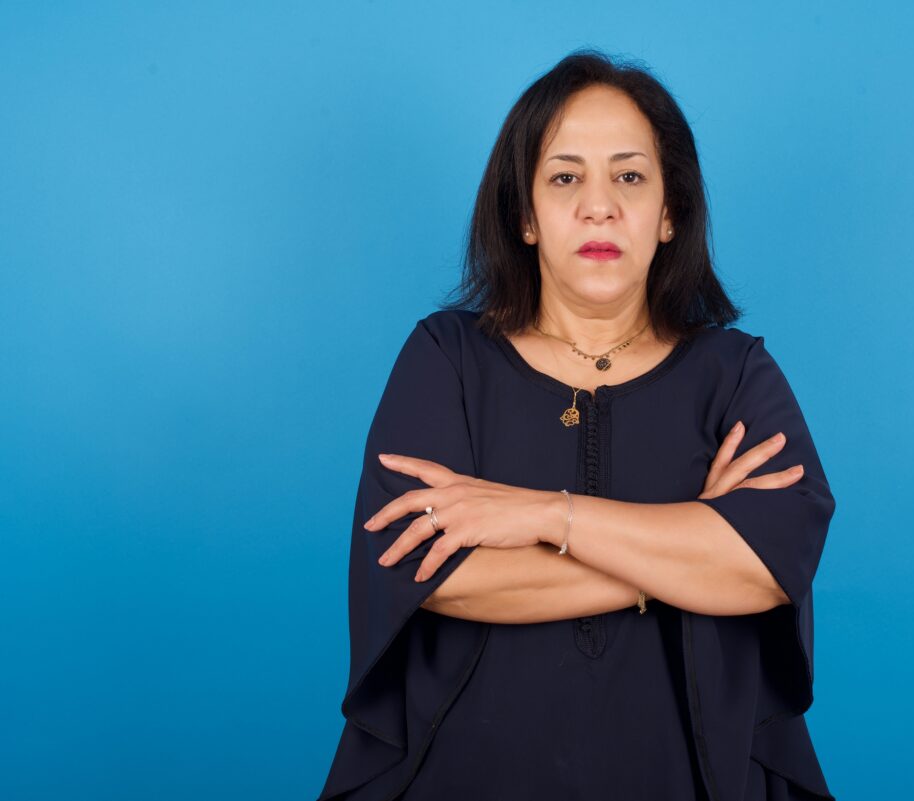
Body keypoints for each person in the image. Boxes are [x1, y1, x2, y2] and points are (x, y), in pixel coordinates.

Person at [316, 49, 838, 801]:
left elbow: (765, 566)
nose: (600, 206)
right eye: (566, 177)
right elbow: (435, 574)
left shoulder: (737, 375)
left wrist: (539, 513)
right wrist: (681, 555)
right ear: (525, 216)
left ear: (670, 213)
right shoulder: (446, 358)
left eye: (630, 176)